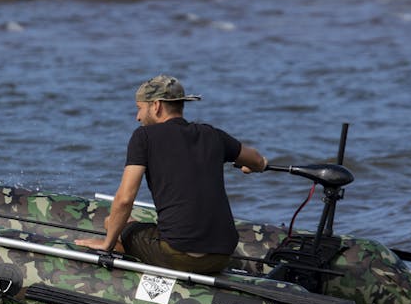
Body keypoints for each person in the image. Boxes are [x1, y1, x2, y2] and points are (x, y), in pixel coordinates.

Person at [76, 74, 268, 274]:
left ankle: (121, 252)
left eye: (139, 108)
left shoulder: (144, 137)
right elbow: (256, 159)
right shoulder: (212, 134)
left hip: (179, 256)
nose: (138, 117)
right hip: (222, 255)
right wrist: (255, 166)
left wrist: (107, 242)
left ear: (156, 105)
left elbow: (124, 199)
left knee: (114, 224)